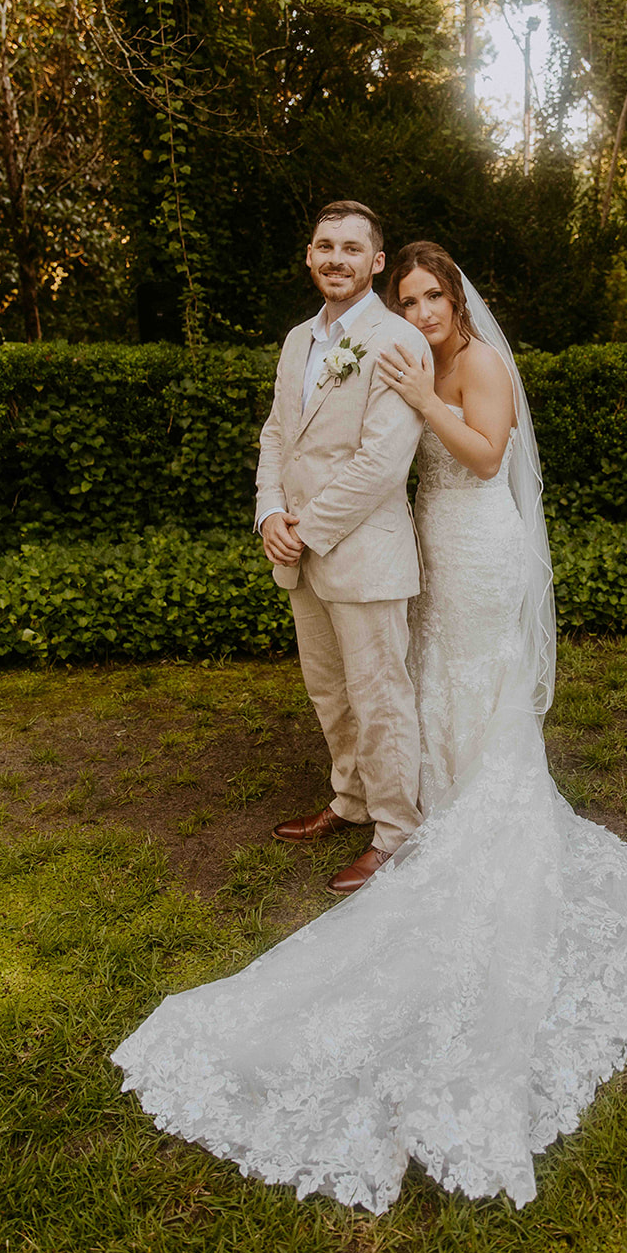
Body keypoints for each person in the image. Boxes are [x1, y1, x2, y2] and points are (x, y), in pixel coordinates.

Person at [111, 241, 627, 1214]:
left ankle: (482, 810)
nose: (420, 311)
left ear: (456, 296)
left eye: (432, 296)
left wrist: (421, 401)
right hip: (428, 538)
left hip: (480, 542)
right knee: (433, 682)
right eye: (409, 298)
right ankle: (435, 795)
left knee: (471, 679)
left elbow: (486, 452)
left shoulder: (478, 365)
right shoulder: (405, 353)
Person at [252, 200, 429, 893]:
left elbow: (382, 463)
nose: (336, 259)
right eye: (325, 245)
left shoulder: (397, 341)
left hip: (362, 550)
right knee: (330, 690)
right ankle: (350, 799)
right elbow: (276, 433)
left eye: (352, 248)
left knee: (380, 694)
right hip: (297, 549)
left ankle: (395, 832)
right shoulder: (298, 339)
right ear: (308, 254)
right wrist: (269, 511)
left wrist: (306, 528)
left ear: (376, 262)